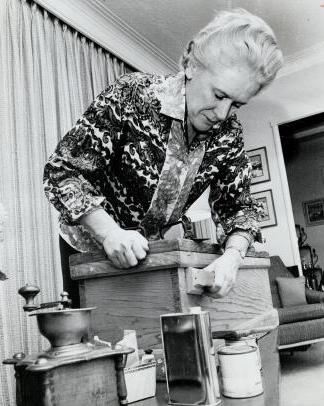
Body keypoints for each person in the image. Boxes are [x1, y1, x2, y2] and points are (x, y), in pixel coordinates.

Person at [44, 8, 283, 307]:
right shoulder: (132, 95)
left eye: (236, 104)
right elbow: (63, 171)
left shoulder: (229, 134)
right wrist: (108, 233)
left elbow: (239, 207)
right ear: (191, 63)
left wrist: (233, 257)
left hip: (154, 251)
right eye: (219, 95)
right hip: (90, 245)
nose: (222, 114)